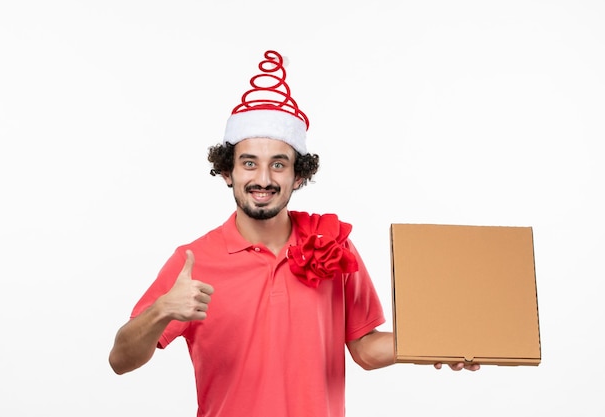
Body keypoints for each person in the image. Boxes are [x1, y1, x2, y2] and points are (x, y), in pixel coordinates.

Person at [108, 50, 479, 417]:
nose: (263, 179)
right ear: (227, 172)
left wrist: (437, 344)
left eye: (279, 165)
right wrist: (161, 310)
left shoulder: (334, 245)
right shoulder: (193, 261)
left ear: (298, 175)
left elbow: (365, 349)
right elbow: (121, 361)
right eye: (249, 163)